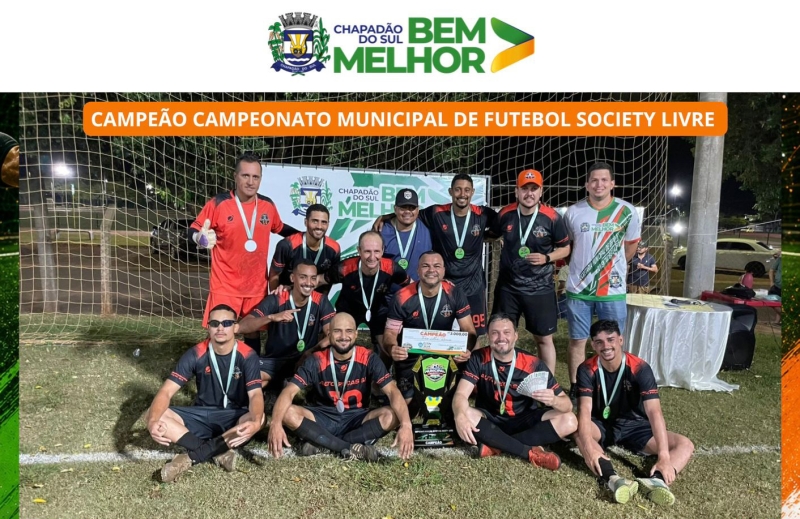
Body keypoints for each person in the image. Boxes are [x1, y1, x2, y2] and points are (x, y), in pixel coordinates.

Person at [574, 320, 694, 506]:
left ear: (620, 340)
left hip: (636, 426)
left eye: (610, 340)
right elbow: (584, 409)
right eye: (599, 342)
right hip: (602, 424)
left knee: (685, 444)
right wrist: (588, 448)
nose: (606, 346)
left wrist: (664, 456)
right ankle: (613, 479)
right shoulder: (586, 369)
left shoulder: (640, 368)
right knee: (579, 430)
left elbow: (654, 411)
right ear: (593, 345)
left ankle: (657, 480)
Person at [268, 313, 414, 461]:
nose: (343, 336)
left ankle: (321, 442)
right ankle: (347, 448)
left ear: (356, 334)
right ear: (329, 334)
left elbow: (392, 392)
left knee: (393, 415)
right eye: (337, 331)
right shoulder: (316, 360)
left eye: (349, 331)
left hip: (357, 418)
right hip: (322, 417)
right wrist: (275, 423)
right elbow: (289, 391)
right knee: (287, 412)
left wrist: (406, 425)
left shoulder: (368, 357)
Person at [189, 152, 298, 352]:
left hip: (256, 285)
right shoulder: (218, 203)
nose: (250, 182)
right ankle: (210, 366)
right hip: (225, 284)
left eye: (255, 177)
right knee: (219, 329)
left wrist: (304, 235)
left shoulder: (267, 205)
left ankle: (251, 368)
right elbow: (194, 229)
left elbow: (280, 228)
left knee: (252, 331)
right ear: (235, 176)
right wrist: (199, 238)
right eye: (245, 175)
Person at [146, 305, 264, 482]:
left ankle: (189, 458)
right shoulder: (196, 353)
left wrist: (255, 422)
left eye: (226, 323)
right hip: (202, 415)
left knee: (259, 419)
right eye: (215, 323)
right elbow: (166, 391)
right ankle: (218, 452)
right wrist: (152, 421)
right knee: (154, 413)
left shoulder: (248, 355)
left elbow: (255, 395)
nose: (220, 328)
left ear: (235, 327)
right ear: (208, 327)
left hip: (233, 417)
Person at [376, 175, 498, 336]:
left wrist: (487, 236)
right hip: (445, 284)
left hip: (473, 285)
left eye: (467, 190)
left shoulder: (483, 214)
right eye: (458, 189)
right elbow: (410, 213)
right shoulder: (436, 212)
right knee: (441, 335)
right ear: (450, 191)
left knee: (473, 334)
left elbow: (503, 225)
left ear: (473, 192)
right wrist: (385, 217)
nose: (462, 194)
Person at [452, 313, 576, 470]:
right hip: (490, 419)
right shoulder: (478, 358)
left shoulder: (532, 364)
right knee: (464, 412)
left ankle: (496, 445)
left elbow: (567, 405)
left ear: (516, 336)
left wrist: (554, 400)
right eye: (495, 333)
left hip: (524, 420)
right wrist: (459, 416)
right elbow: (461, 394)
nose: (501, 338)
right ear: (488, 336)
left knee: (570, 420)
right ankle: (527, 452)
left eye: (506, 332)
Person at [564, 162, 641, 404]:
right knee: (577, 340)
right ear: (586, 185)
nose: (599, 184)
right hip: (579, 289)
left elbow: (630, 247)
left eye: (604, 180)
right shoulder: (573, 212)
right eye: (594, 180)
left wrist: (611, 269)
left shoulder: (627, 211)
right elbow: (569, 247)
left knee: (613, 340)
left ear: (612, 184)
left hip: (612, 290)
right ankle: (577, 386)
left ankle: (614, 384)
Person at [491, 169, 571, 374]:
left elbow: (565, 248)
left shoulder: (552, 217)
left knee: (543, 339)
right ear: (516, 191)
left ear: (541, 191)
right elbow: (491, 235)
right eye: (524, 189)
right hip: (508, 288)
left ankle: (548, 383)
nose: (529, 193)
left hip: (540, 288)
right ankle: (500, 379)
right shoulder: (505, 214)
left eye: (534, 189)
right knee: (501, 334)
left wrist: (547, 258)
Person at [383, 251, 477, 404]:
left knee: (446, 403)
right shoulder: (401, 296)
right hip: (411, 355)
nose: (431, 270)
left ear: (443, 271)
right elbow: (390, 332)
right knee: (410, 404)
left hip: (445, 354)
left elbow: (469, 329)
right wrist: (392, 348)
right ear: (418, 270)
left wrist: (467, 349)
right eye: (425, 266)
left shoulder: (455, 293)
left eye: (437, 266)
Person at [238, 260, 335, 389]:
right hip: (275, 361)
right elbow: (242, 326)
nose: (308, 283)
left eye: (313, 278)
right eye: (303, 277)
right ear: (292, 278)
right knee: (246, 377)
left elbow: (333, 334)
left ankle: (282, 384)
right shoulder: (277, 299)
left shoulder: (321, 301)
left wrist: (311, 352)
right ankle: (280, 383)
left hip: (304, 360)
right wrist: (271, 317)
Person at [326, 231, 410, 362]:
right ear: (359, 250)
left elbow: (411, 287)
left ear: (383, 251)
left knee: (387, 350)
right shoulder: (344, 267)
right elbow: (318, 281)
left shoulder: (392, 268)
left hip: (378, 310)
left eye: (376, 251)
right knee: (335, 344)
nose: (372, 257)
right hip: (348, 310)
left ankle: (382, 372)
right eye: (367, 251)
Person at [269, 203, 341, 294]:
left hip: (316, 299)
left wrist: (322, 300)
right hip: (289, 296)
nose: (319, 226)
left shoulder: (334, 248)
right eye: (315, 221)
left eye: (324, 222)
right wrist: (276, 299)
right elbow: (274, 275)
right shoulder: (287, 245)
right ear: (306, 222)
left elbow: (329, 278)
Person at [380, 188, 433, 283]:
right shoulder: (381, 230)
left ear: (418, 210)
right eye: (403, 208)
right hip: (387, 290)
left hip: (417, 289)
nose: (407, 211)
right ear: (395, 209)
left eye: (412, 208)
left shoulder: (428, 227)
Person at [769, 250, 781, 324]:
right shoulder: (780, 259)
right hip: (777, 285)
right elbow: (771, 270)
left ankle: (777, 321)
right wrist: (771, 281)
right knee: (771, 301)